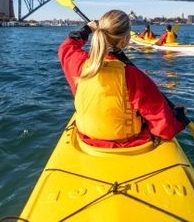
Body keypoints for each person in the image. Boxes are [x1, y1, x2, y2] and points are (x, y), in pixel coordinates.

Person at [58, 10, 187, 148]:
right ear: (125, 40)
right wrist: (178, 119)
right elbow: (165, 128)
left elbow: (66, 47)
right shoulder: (135, 77)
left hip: (87, 141)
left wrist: (87, 29)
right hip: (127, 144)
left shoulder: (81, 66)